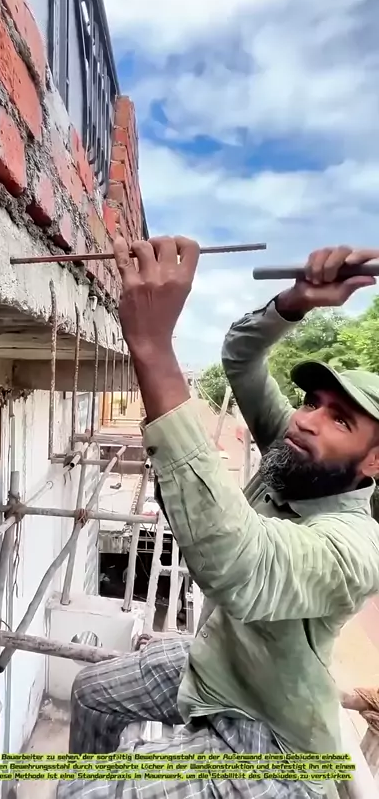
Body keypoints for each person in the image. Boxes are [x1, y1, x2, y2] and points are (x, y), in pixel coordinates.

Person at [56, 243, 379, 799]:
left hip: (272, 741)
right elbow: (242, 359)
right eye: (312, 403)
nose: (306, 421)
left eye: (341, 421)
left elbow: (241, 565)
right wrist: (297, 301)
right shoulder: (297, 455)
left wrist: (152, 347)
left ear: (374, 462)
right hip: (221, 666)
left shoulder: (357, 547)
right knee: (91, 693)